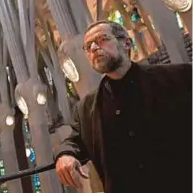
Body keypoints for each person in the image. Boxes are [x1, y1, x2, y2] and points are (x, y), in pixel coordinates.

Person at [55, 20, 192, 193]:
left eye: (102, 39)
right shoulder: (85, 108)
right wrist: (65, 154)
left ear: (126, 43)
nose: (94, 48)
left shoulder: (180, 78)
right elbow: (73, 141)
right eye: (88, 46)